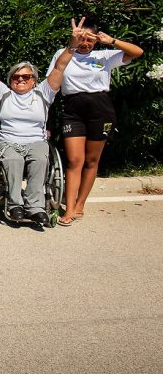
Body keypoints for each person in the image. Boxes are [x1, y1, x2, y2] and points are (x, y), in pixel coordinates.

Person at [0, 20, 81, 226]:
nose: (21, 79)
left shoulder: (44, 93)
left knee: (40, 159)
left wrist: (72, 45)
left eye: (26, 76)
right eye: (16, 76)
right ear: (11, 79)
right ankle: (14, 205)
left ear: (34, 79)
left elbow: (60, 66)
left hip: (36, 142)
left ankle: (36, 206)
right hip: (8, 142)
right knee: (14, 161)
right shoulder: (3, 94)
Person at [47, 14, 143, 225]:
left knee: (91, 161)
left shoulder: (105, 55)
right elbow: (51, 82)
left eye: (90, 40)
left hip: (100, 110)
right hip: (73, 109)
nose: (85, 44)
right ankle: (69, 209)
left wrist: (112, 41)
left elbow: (137, 52)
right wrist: (72, 45)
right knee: (74, 160)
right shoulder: (62, 54)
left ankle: (80, 204)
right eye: (82, 39)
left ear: (96, 39)